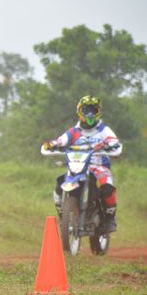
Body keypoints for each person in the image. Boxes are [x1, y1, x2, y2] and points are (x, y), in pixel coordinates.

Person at [43, 95, 122, 232]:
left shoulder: (103, 130)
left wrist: (112, 146)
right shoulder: (75, 131)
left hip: (99, 167)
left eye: (93, 110)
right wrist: (52, 144)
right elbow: (61, 140)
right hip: (77, 166)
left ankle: (110, 218)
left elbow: (114, 142)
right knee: (59, 183)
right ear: (80, 111)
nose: (90, 114)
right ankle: (63, 215)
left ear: (98, 112)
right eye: (86, 110)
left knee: (107, 188)